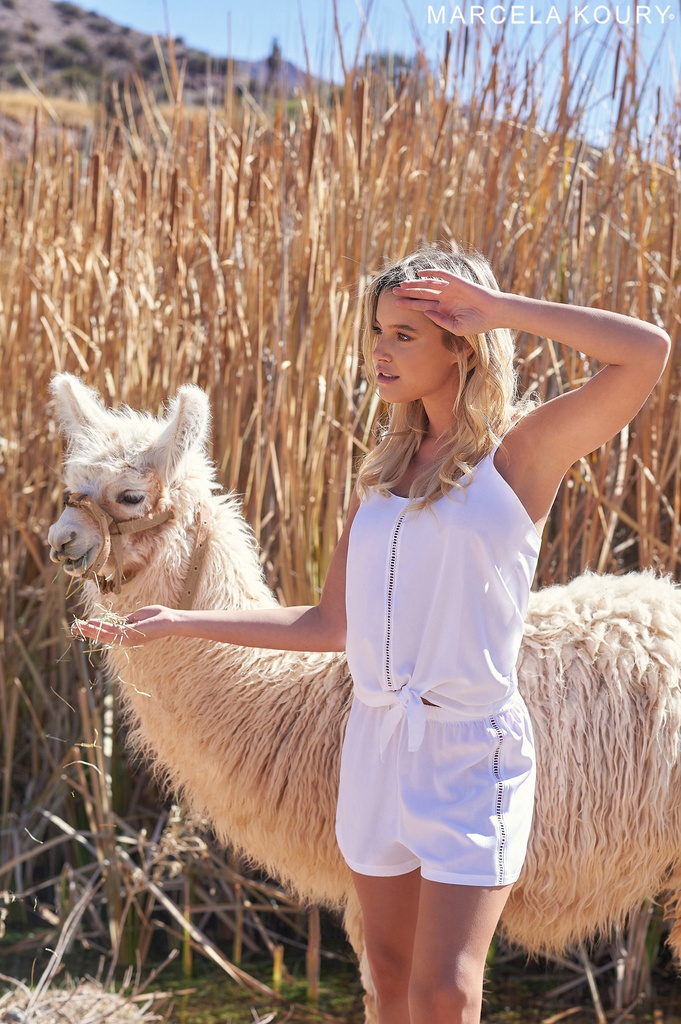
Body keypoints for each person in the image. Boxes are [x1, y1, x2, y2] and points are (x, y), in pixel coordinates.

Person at [73, 243, 670, 1024]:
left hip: (468, 750)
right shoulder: (381, 482)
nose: (378, 353)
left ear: (460, 342)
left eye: (403, 335)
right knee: (387, 977)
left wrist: (499, 309)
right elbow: (331, 626)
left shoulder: (516, 460)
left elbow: (644, 354)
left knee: (445, 988)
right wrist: (179, 622)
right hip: (376, 745)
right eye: (376, 334)